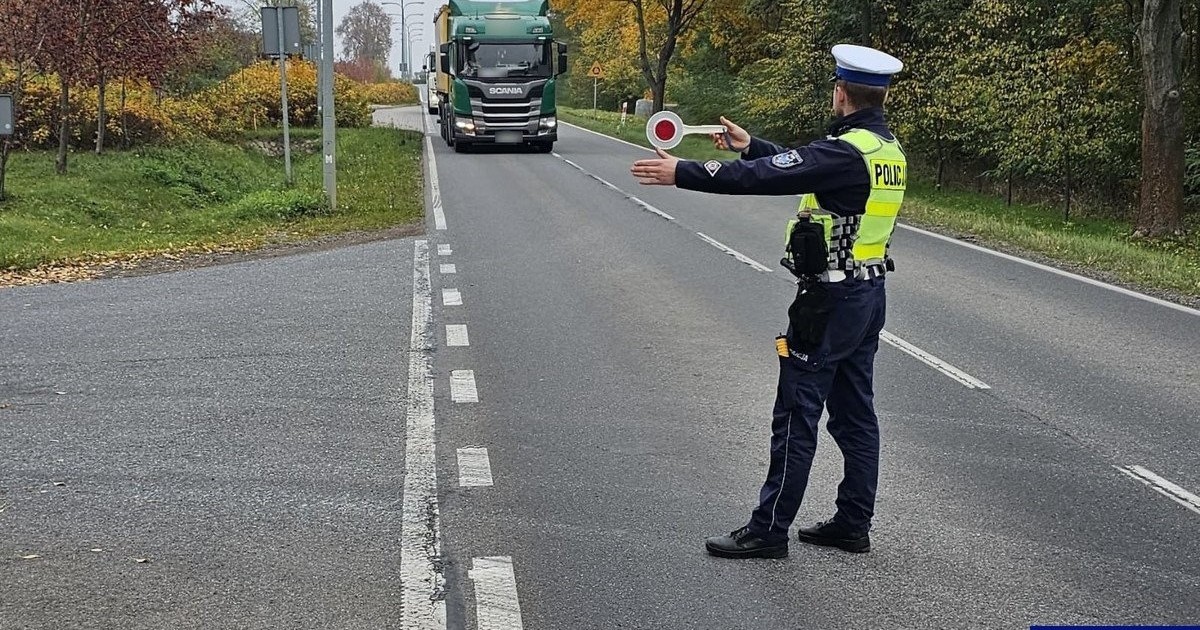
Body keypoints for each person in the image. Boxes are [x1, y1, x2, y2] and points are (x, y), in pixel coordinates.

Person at [630, 44, 906, 559]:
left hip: (829, 301)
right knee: (854, 415)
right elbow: (795, 167)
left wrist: (684, 172)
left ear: (840, 92)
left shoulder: (844, 152)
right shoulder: (883, 150)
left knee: (796, 414)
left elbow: (766, 177)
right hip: (867, 295)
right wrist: (751, 143)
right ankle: (852, 523)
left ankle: (767, 531)